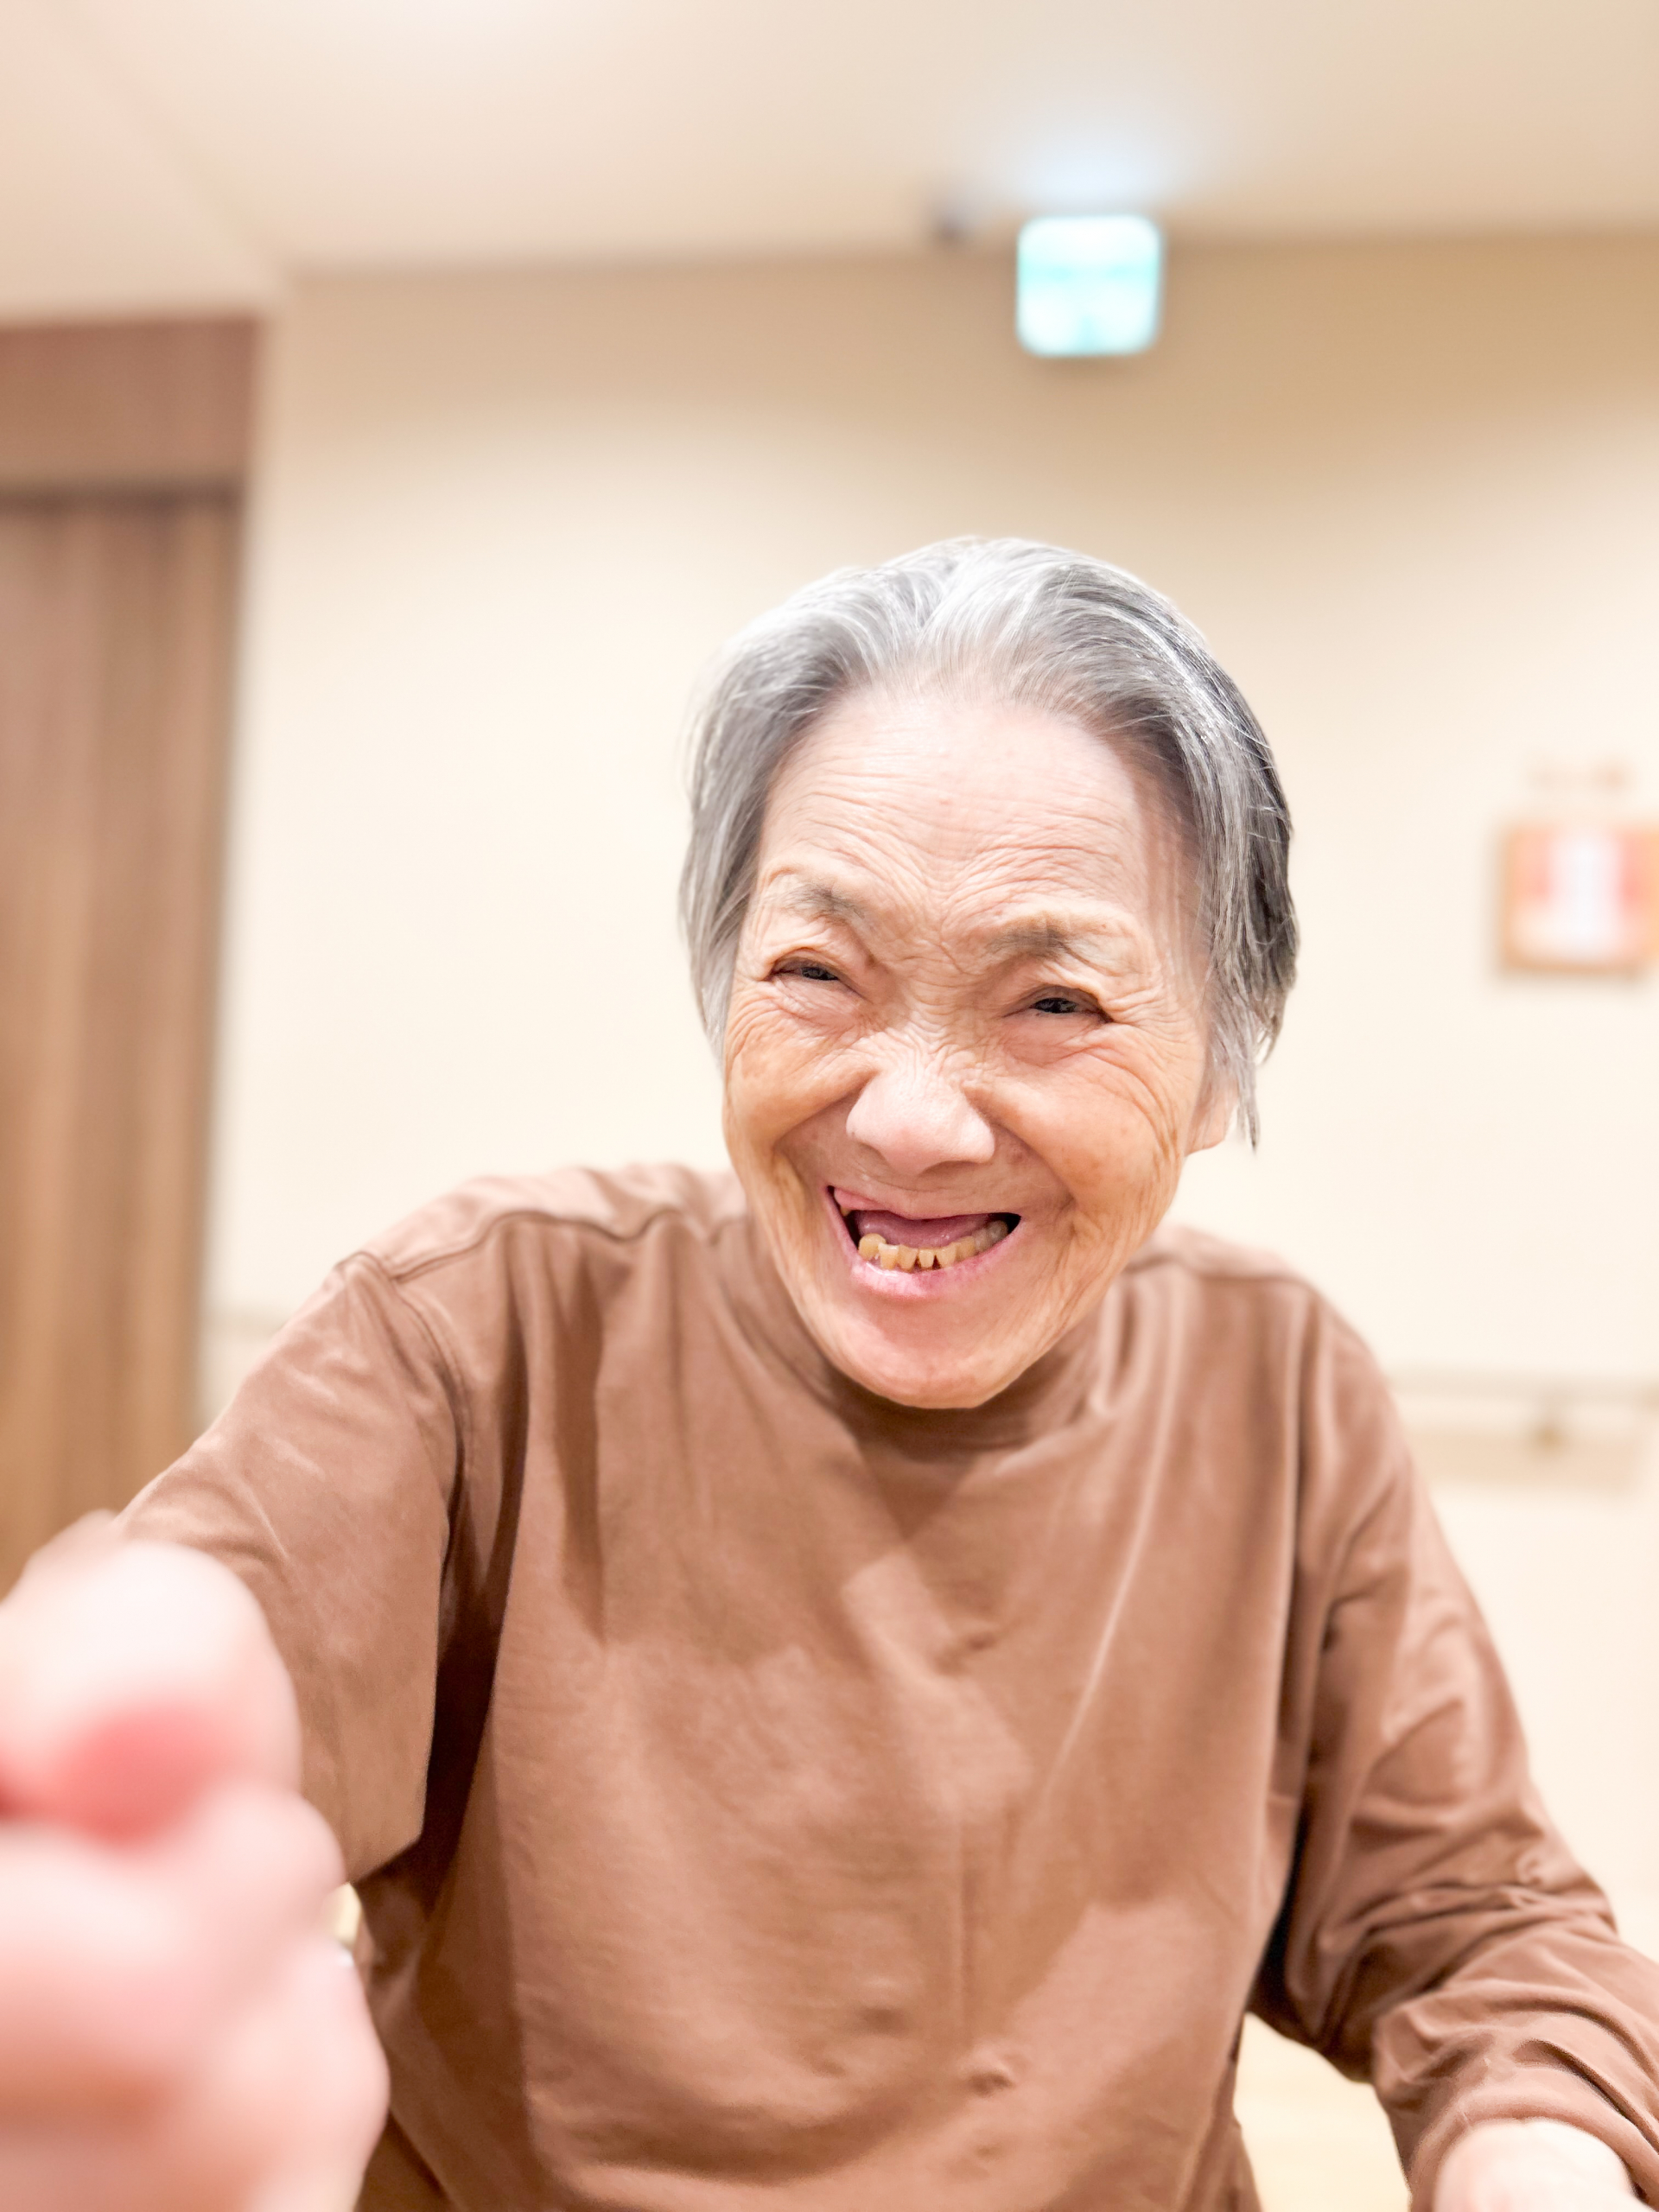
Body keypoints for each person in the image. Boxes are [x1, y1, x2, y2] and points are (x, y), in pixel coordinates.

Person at [1, 539, 1655, 2212]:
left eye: (1054, 1000)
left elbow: (1478, 1928)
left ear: (1224, 1062)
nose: (911, 1117)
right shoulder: (479, 1335)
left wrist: (1533, 2158)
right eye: (817, 975)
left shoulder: (1274, 1387)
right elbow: (129, 1823)